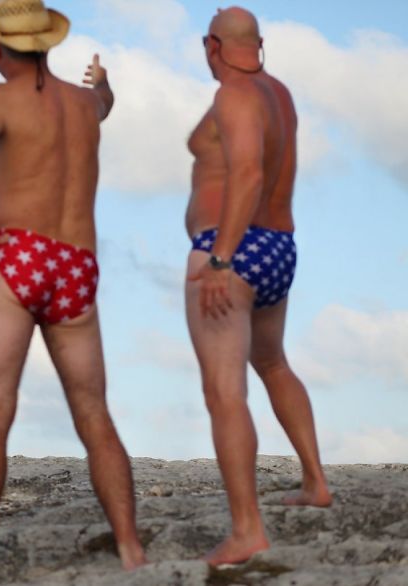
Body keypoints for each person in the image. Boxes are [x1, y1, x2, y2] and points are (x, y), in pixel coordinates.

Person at [0, 1, 146, 580]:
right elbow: (104, 102)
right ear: (48, 46)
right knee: (94, 414)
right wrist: (104, 84)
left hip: (18, 256)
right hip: (76, 264)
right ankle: (130, 547)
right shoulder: (84, 105)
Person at [184, 6, 332, 566]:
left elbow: (245, 171)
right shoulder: (277, 93)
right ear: (260, 45)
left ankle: (247, 530)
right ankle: (316, 481)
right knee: (271, 363)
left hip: (232, 249)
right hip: (278, 246)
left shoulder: (235, 96)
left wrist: (220, 259)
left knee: (224, 392)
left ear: (212, 45)